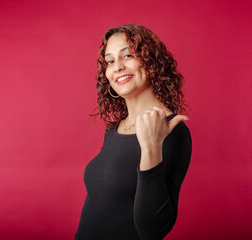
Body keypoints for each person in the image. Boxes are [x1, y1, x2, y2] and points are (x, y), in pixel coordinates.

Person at [75, 24, 192, 240]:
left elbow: (152, 230)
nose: (117, 67)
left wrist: (151, 148)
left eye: (127, 55)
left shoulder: (172, 130)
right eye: (110, 61)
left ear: (151, 61)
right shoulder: (114, 129)